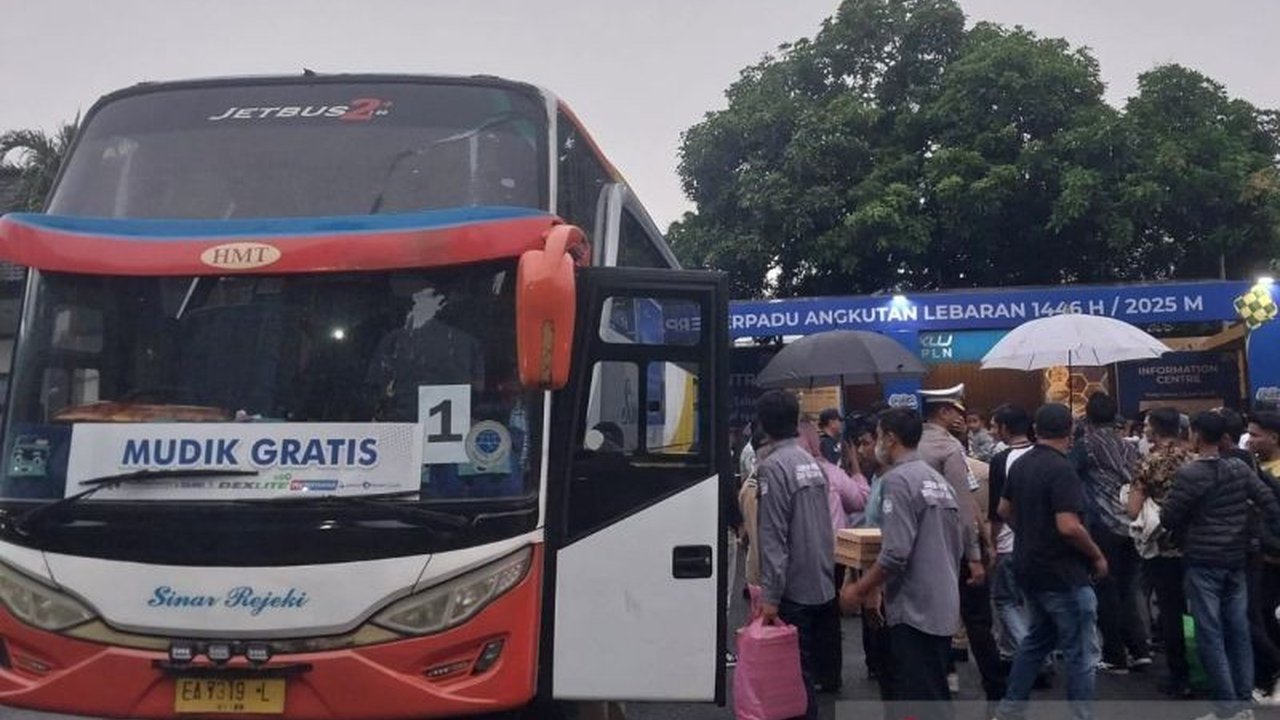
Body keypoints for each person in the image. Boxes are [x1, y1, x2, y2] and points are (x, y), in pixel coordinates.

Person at [840, 408, 963, 720]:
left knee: (916, 700)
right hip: (942, 602)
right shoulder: (937, 481)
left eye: (879, 436)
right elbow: (958, 540)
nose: (875, 444)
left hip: (914, 607)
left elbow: (896, 552)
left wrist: (859, 589)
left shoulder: (898, 481)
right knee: (934, 695)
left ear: (890, 439)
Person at [1162, 411, 1280, 720]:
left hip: (1202, 561)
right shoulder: (1238, 470)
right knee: (1238, 629)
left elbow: (1168, 517)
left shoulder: (1190, 474)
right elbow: (1268, 501)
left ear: (1197, 436)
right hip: (1236, 559)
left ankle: (1227, 706)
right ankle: (1243, 702)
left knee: (1210, 633)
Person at [996, 404, 1107, 720]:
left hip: (1029, 566)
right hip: (1064, 572)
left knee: (1037, 640)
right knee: (1082, 652)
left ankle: (1010, 709)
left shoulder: (1020, 464)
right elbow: (1069, 526)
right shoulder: (1062, 469)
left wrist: (1029, 532)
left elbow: (1004, 510)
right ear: (1070, 432)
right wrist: (1097, 555)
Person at [918, 384, 1005, 702]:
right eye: (956, 410)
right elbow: (964, 506)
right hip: (956, 547)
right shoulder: (949, 448)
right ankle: (996, 688)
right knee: (978, 622)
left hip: (926, 548)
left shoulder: (912, 443)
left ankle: (944, 680)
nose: (961, 416)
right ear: (943, 412)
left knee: (935, 619)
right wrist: (976, 555)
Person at [754, 390, 836, 720]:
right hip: (820, 581)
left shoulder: (773, 468)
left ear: (764, 424)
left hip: (793, 588)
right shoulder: (811, 463)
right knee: (808, 674)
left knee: (793, 678)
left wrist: (770, 597)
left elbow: (773, 536)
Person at [1074, 392, 1150, 673]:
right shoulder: (1132, 447)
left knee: (1106, 589)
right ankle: (1140, 650)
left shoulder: (1085, 446)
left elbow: (1071, 475)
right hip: (1134, 524)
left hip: (1104, 525)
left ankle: (1115, 655)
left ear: (1089, 417)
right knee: (1128, 590)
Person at [1127, 406, 1196, 698]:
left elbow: (1132, 508)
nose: (1144, 428)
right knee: (1202, 610)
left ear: (1155, 427)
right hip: (1197, 545)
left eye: (1147, 424)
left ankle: (1179, 674)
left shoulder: (1149, 462)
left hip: (1162, 547)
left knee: (1170, 612)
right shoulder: (1195, 459)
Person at [799, 420, 869, 693]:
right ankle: (830, 674)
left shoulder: (784, 469)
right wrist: (855, 469)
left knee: (805, 612)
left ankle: (810, 672)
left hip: (804, 553)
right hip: (834, 553)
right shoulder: (832, 472)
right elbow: (859, 500)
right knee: (829, 613)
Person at [986, 405, 1036, 669]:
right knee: (1032, 602)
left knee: (1005, 601)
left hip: (1009, 541)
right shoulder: (1044, 455)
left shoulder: (1001, 460)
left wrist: (992, 543)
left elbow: (997, 509)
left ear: (1005, 428)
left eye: (996, 426)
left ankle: (1031, 654)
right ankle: (1018, 654)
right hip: (1040, 543)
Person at [1250, 412, 1280, 479]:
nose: (1249, 440)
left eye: (1254, 436)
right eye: (1249, 435)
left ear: (1274, 438)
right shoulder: (1251, 463)